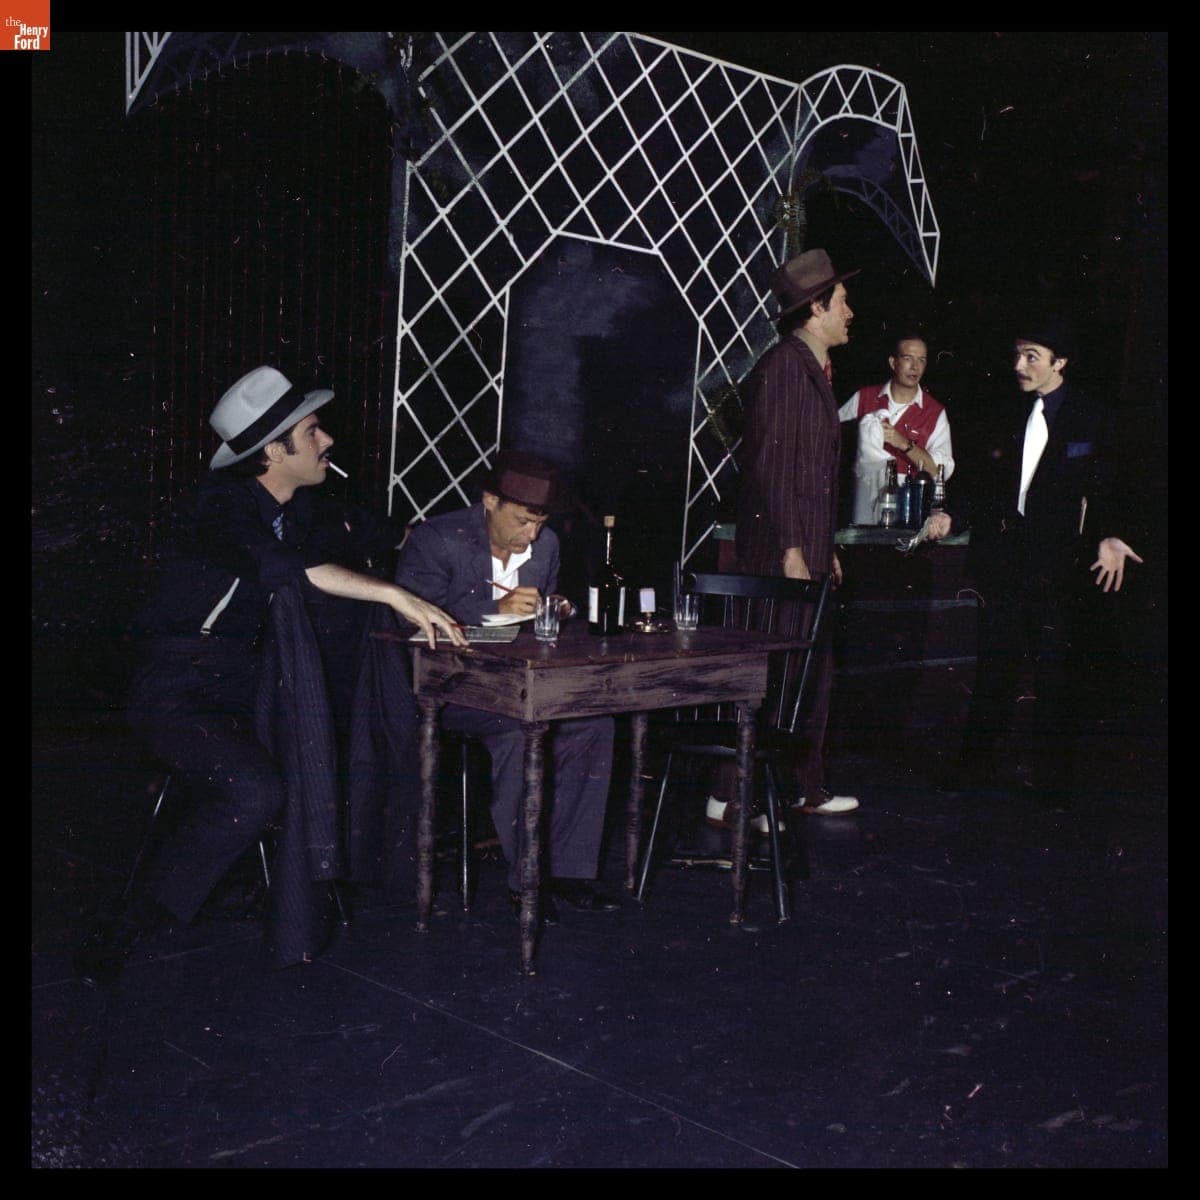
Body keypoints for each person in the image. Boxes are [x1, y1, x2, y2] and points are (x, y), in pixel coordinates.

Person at [75, 365, 465, 987]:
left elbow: (407, 538)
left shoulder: (310, 509)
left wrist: (490, 546)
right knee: (256, 791)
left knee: (340, 756)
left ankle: (282, 896)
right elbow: (287, 569)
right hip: (179, 686)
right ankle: (136, 917)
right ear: (271, 451)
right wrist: (392, 595)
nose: (328, 441)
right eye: (312, 432)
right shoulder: (217, 507)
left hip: (251, 684)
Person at [394, 450, 620, 922]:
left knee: (594, 723)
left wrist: (554, 611)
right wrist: (499, 615)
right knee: (525, 730)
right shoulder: (438, 539)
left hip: (516, 685)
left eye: (539, 523)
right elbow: (415, 630)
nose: (531, 536)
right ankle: (528, 881)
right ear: (489, 501)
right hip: (445, 691)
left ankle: (565, 871)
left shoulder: (548, 544)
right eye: (522, 522)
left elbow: (541, 628)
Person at [956, 315, 1142, 807]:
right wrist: (946, 514)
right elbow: (978, 481)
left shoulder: (1092, 416)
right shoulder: (1004, 412)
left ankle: (1053, 785)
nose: (1019, 365)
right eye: (1017, 354)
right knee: (994, 667)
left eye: (1031, 357)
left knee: (1055, 676)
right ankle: (972, 775)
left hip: (1061, 569)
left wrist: (1110, 534)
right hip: (1008, 562)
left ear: (1059, 363)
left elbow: (1116, 486)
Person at [728, 248, 865, 817]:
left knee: (807, 673)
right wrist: (790, 548)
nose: (851, 312)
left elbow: (808, 474)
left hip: (805, 549)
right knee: (776, 676)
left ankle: (803, 788)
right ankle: (735, 798)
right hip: (783, 556)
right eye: (844, 301)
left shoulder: (809, 370)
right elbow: (771, 469)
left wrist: (822, 545)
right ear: (816, 307)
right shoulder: (785, 368)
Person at [839, 333, 957, 525]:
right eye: (908, 358)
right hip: (859, 502)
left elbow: (939, 470)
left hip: (907, 508)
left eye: (922, 360)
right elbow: (831, 439)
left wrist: (902, 443)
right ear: (893, 362)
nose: (915, 367)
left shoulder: (935, 412)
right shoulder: (864, 397)